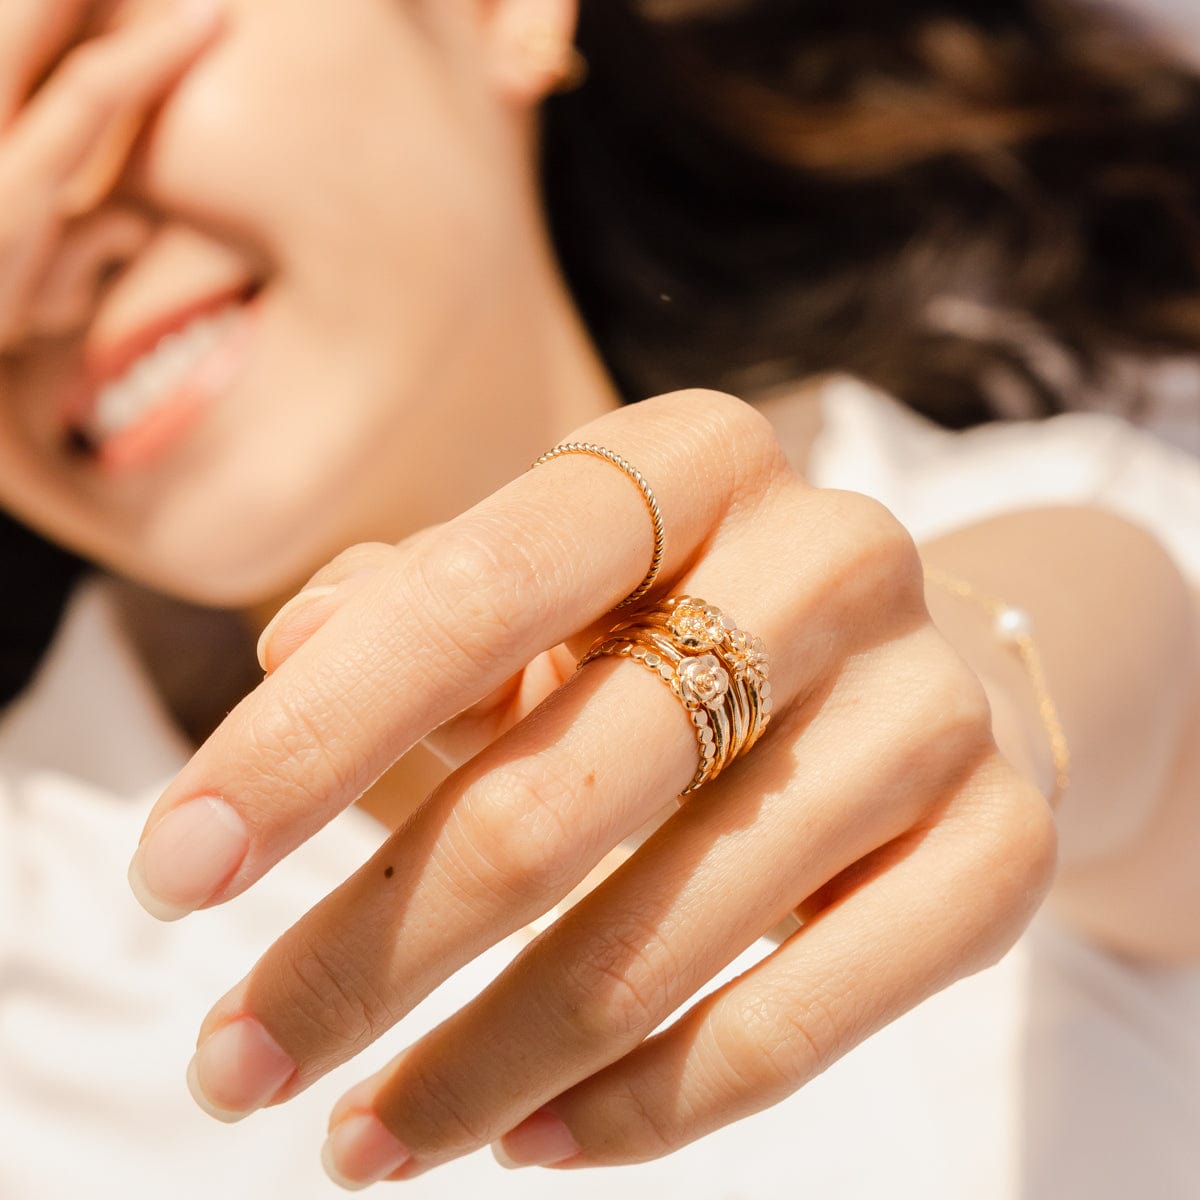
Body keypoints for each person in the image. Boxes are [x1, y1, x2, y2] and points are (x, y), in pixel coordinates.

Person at [0, 0, 1196, 1196]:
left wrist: (984, 685)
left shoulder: (1064, 499)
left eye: (76, 67)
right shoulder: (36, 936)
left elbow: (1138, 682)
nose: (37, 254)